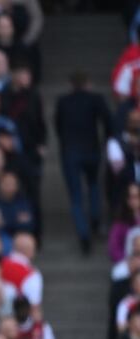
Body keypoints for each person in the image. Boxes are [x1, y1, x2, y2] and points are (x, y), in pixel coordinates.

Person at [54, 71, 112, 253]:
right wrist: (106, 142)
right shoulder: (96, 98)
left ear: (71, 84)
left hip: (70, 152)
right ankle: (94, 219)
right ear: (88, 83)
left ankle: (84, 234)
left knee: (76, 197)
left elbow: (58, 127)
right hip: (91, 150)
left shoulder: (63, 101)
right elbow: (108, 122)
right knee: (93, 185)